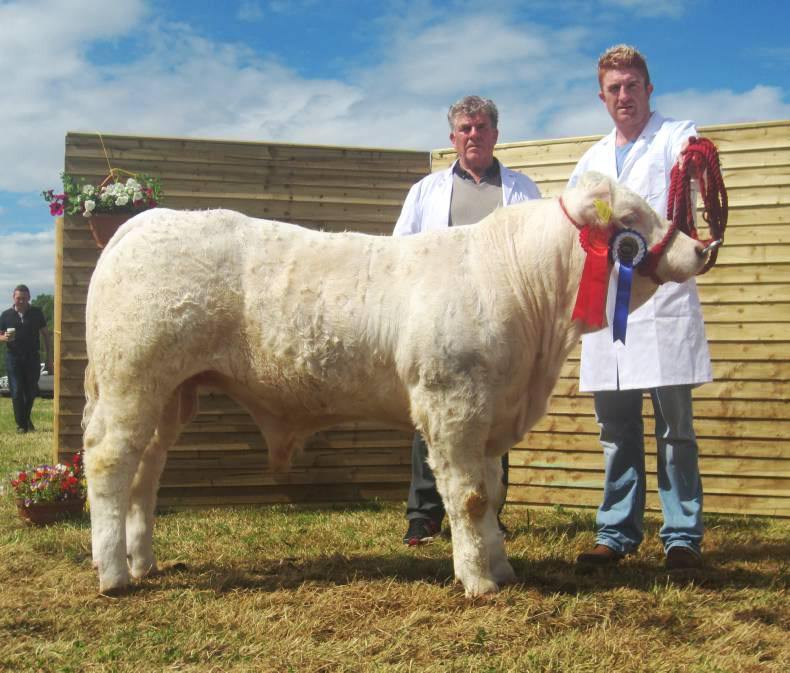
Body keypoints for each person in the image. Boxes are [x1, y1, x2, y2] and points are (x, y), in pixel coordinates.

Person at [570, 45, 711, 570]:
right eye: (614, 88)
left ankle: (681, 536)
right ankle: (616, 531)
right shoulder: (592, 160)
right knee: (615, 427)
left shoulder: (677, 135)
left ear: (648, 89)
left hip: (664, 298)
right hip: (608, 304)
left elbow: (694, 161)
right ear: (602, 97)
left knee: (676, 427)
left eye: (632, 85)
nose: (623, 95)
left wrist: (699, 158)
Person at [393, 95, 541, 545]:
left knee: (494, 420)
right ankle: (424, 515)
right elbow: (399, 251)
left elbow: (535, 252)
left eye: (481, 127)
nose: (473, 134)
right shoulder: (426, 191)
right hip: (441, 323)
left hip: (499, 324)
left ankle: (490, 510)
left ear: (495, 134)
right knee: (434, 416)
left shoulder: (523, 190)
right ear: (453, 138)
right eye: (465, 128)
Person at [0, 285, 52, 434]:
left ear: (29, 298)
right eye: (18, 298)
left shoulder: (36, 313)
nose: (21, 301)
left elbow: (46, 335)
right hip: (13, 358)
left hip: (32, 357)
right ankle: (22, 426)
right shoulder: (6, 315)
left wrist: (49, 358)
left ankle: (25, 419)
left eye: (24, 298)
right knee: (16, 391)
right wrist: (4, 337)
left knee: (30, 392)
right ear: (13, 298)